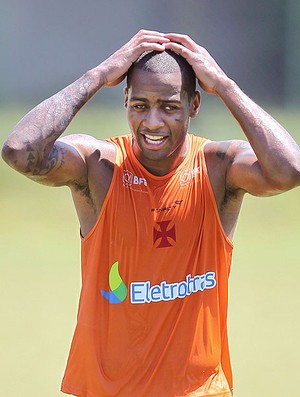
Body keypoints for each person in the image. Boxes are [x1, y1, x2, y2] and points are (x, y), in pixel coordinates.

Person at [2, 29, 300, 397]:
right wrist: (97, 75)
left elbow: (289, 170)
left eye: (170, 106)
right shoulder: (100, 167)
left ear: (193, 105)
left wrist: (224, 84)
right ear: (125, 100)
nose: (153, 122)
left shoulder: (216, 168)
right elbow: (20, 151)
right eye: (140, 105)